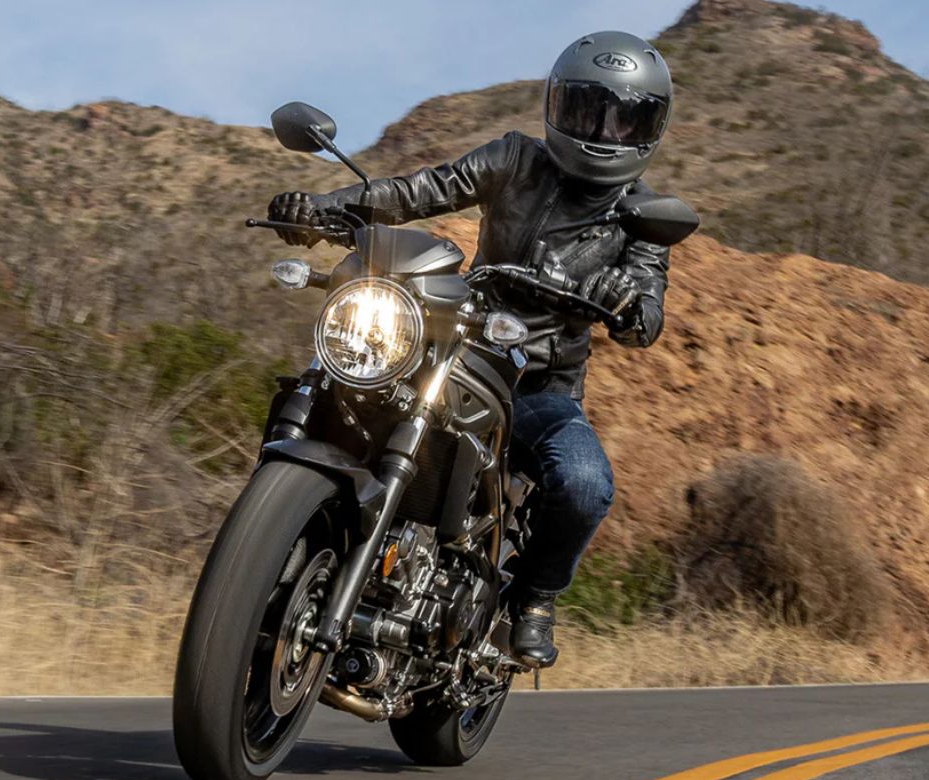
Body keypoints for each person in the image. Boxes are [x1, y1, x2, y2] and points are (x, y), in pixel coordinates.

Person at [268, 31, 675, 668]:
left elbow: (647, 313)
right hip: (459, 350)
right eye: (585, 109)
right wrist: (325, 206)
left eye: (622, 117)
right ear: (556, 105)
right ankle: (279, 540)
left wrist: (626, 301)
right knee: (324, 385)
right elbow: (419, 191)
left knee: (584, 483)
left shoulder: (641, 216)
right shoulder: (515, 159)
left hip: (539, 391)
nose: (600, 129)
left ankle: (534, 598)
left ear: (649, 128)